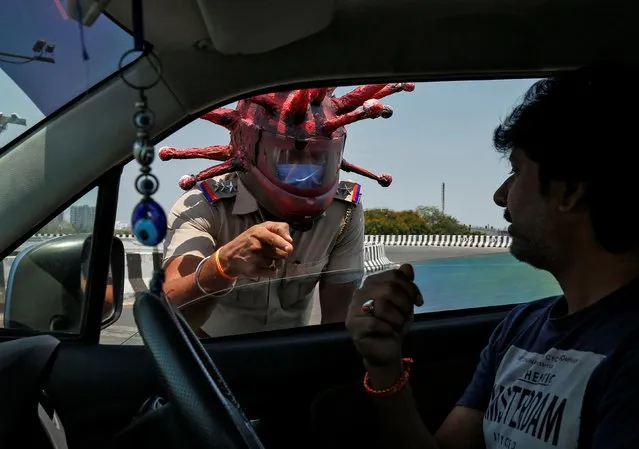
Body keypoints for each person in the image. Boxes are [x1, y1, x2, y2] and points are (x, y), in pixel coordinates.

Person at [343, 65, 639, 449]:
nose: (501, 196)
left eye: (516, 171)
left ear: (569, 193)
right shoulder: (520, 327)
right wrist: (384, 364)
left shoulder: (629, 355)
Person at [159, 84, 415, 338]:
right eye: (286, 161)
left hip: (293, 354)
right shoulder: (203, 206)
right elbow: (173, 308)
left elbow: (337, 320)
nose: (304, 176)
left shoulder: (344, 212)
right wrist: (223, 264)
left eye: (319, 161)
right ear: (248, 149)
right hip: (212, 355)